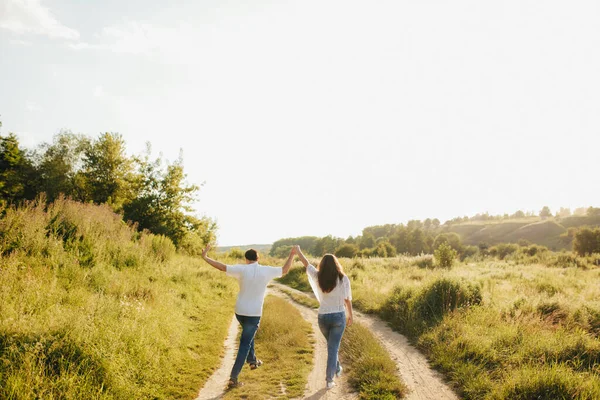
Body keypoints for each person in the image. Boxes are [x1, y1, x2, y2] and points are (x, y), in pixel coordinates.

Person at [201, 245, 296, 388]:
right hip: (253, 313)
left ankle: (253, 361)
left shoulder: (241, 269)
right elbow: (285, 270)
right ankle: (233, 378)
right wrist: (292, 254)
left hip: (240, 311)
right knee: (245, 343)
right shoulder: (266, 270)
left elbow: (221, 267)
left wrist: (205, 257)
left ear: (246, 259)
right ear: (258, 259)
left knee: (248, 335)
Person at [293, 245, 353, 389]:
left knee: (332, 347)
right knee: (333, 348)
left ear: (322, 265)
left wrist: (299, 251)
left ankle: (337, 368)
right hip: (338, 317)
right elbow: (347, 299)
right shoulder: (343, 278)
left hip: (323, 318)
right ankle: (329, 380)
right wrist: (351, 315)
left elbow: (306, 264)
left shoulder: (318, 276)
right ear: (336, 264)